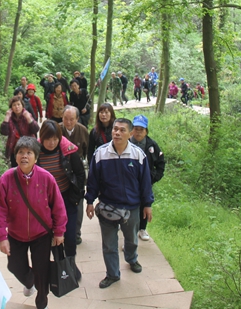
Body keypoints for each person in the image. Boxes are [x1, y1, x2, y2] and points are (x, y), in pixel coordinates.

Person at [0, 137, 67, 309]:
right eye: (20, 152)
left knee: (42, 271)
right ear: (16, 156)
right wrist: (2, 237)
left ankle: (42, 302)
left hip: (41, 234)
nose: (24, 156)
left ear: (36, 157)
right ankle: (28, 280)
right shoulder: (6, 179)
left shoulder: (46, 178)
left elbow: (58, 206)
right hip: (15, 234)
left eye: (29, 153)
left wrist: (59, 231)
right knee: (14, 266)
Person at [85, 118, 154, 289]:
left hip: (131, 208)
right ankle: (112, 274)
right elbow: (92, 180)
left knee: (131, 240)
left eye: (122, 130)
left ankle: (132, 259)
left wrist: (147, 204)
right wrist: (89, 201)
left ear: (130, 134)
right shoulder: (100, 154)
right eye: (115, 129)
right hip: (108, 206)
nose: (117, 133)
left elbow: (145, 182)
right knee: (109, 245)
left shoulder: (138, 155)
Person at [37, 120, 85, 280]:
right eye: (48, 139)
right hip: (45, 204)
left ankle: (71, 263)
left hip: (66, 199)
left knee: (70, 236)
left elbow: (79, 173)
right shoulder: (35, 154)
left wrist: (77, 195)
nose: (52, 143)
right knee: (53, 237)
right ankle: (61, 265)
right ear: (41, 138)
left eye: (55, 139)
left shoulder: (67, 152)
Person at [129, 115, 165, 242]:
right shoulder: (126, 143)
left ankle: (142, 228)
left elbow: (161, 164)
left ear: (146, 131)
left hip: (145, 182)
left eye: (141, 129)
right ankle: (128, 229)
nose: (138, 132)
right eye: (136, 129)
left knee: (145, 203)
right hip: (129, 181)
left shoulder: (152, 145)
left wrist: (152, 178)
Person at [59, 106, 89, 246]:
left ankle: (76, 233)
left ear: (77, 119)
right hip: (60, 171)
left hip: (77, 171)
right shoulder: (57, 129)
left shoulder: (82, 130)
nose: (68, 122)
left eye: (72, 119)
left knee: (78, 201)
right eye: (66, 118)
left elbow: (87, 151)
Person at [1, 96, 40, 167]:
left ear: (22, 106)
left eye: (18, 104)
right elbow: (4, 132)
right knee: (16, 169)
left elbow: (36, 129)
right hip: (15, 149)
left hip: (29, 147)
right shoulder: (10, 118)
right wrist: (6, 117)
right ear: (11, 108)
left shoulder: (27, 115)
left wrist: (29, 119)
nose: (17, 107)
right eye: (14, 105)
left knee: (30, 167)